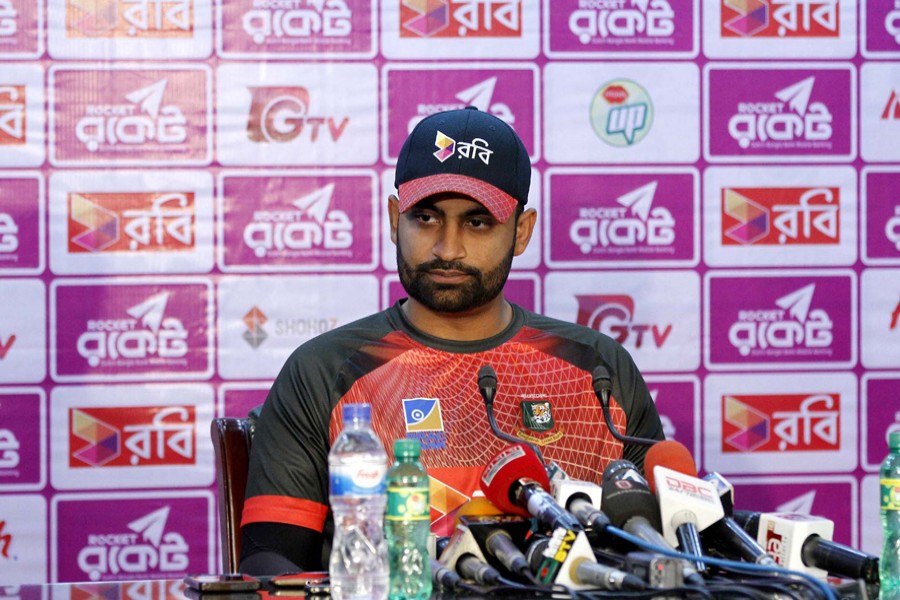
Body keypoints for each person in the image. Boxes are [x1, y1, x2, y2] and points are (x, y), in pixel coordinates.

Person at [239, 107, 665, 575]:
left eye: (478, 222)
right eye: (426, 218)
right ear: (393, 218)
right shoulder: (325, 370)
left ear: (521, 231)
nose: (447, 248)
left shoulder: (599, 369)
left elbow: (658, 553)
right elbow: (269, 562)